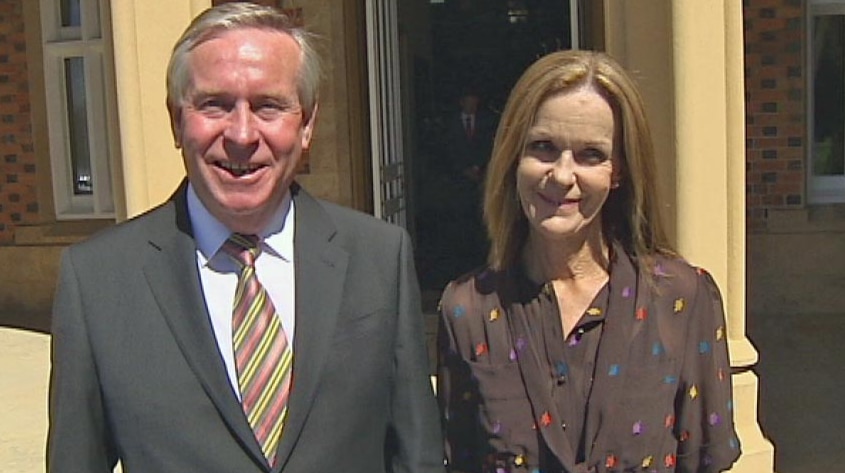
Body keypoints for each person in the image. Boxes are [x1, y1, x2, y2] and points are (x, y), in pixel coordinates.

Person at [47, 3, 444, 472]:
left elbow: (417, 457)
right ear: (177, 120)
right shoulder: (97, 282)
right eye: (214, 104)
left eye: (268, 106)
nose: (241, 134)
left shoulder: (379, 257)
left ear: (308, 123)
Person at [436, 50, 741, 473]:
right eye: (543, 147)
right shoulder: (467, 310)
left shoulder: (683, 300)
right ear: (513, 158)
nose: (562, 175)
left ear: (618, 172)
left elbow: (707, 462)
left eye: (591, 155)